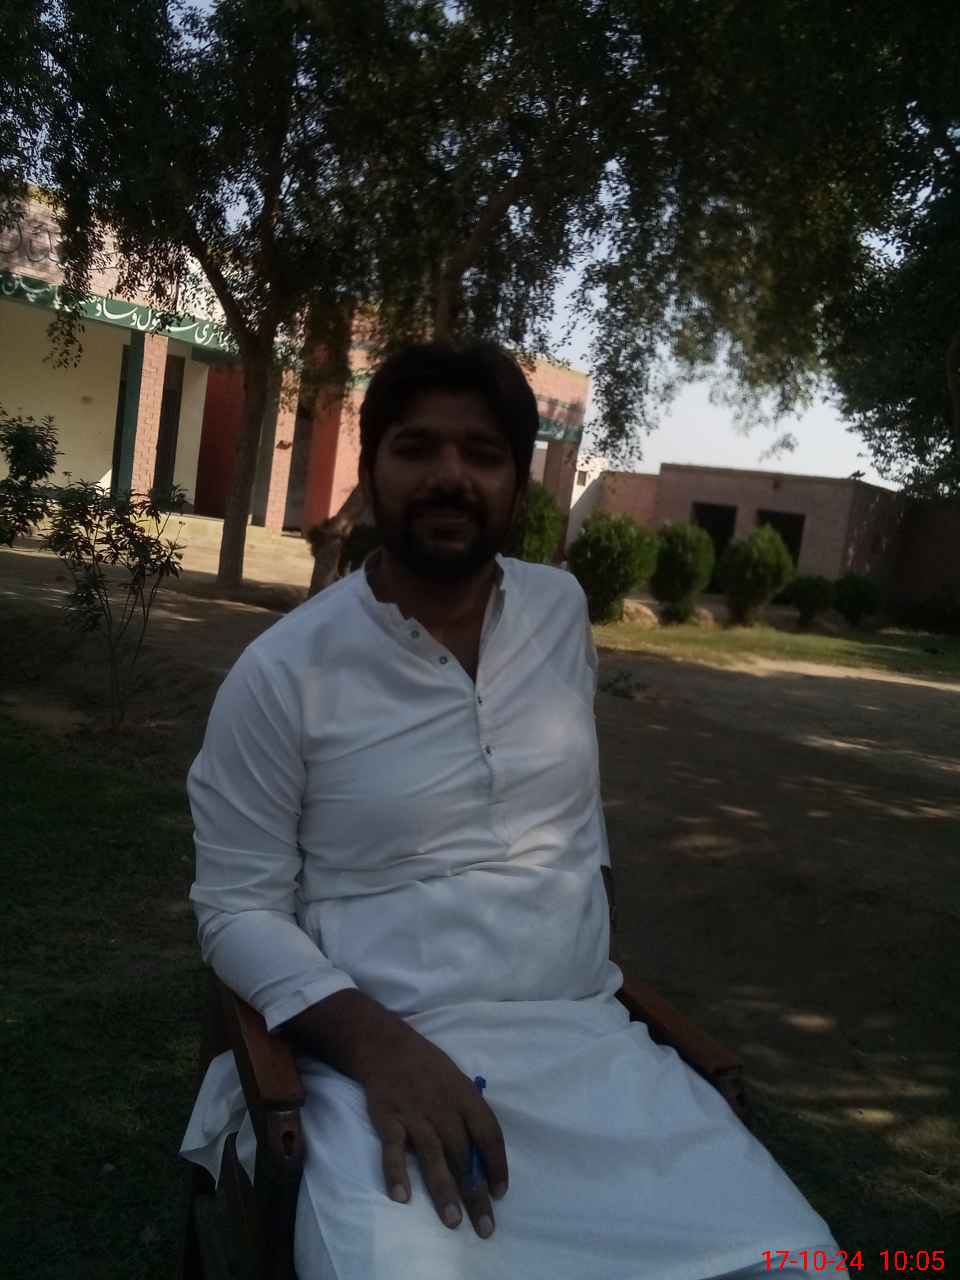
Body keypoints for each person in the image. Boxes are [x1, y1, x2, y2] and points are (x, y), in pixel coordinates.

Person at [180, 339, 838, 1279]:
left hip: (593, 1051)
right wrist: (379, 1048)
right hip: (374, 1065)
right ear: (370, 473)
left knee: (795, 1263)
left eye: (482, 454)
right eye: (416, 447)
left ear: (518, 485)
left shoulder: (560, 613)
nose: (449, 476)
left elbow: (573, 823)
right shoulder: (284, 673)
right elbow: (235, 906)